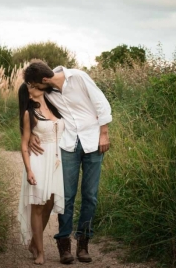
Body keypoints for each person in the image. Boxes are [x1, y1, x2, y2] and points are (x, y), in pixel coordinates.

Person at [25, 60, 112, 264]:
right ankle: (64, 244)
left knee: (90, 195)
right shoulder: (45, 88)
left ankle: (83, 242)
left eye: (37, 85)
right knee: (66, 196)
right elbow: (26, 98)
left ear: (44, 80)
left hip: (93, 142)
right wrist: (28, 134)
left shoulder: (78, 77)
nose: (35, 89)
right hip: (67, 144)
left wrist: (104, 133)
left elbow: (101, 103)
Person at [17, 82, 65, 265]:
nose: (34, 86)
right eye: (30, 86)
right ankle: (40, 252)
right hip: (38, 161)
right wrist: (29, 170)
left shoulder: (55, 104)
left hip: (56, 163)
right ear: (28, 95)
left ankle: (33, 243)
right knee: (37, 205)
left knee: (50, 202)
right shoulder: (29, 114)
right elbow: (24, 144)